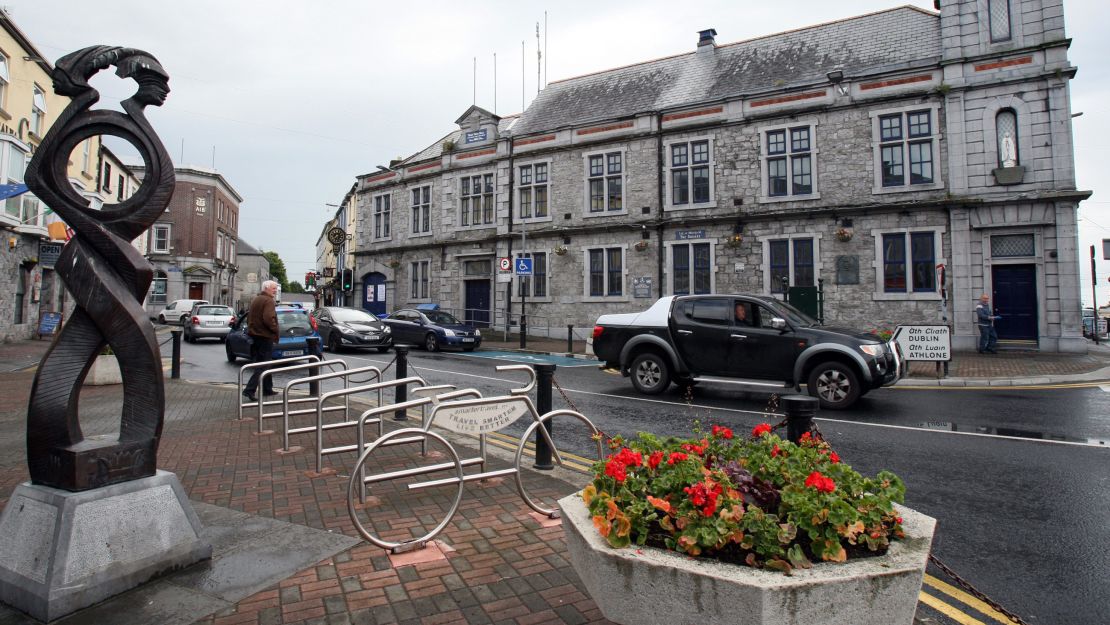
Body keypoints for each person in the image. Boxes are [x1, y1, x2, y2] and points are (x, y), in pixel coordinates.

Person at [242, 280, 280, 402]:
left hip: (255, 335)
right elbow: (268, 318)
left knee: (265, 362)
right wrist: (275, 329)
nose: (275, 291)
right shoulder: (268, 301)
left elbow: (249, 318)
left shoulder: (257, 299)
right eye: (273, 288)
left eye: (276, 289)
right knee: (263, 364)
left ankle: (267, 388)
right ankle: (249, 390)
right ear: (267, 288)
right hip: (264, 336)